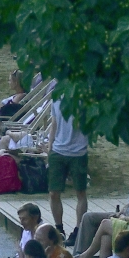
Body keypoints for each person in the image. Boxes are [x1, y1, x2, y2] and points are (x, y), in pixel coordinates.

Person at [46, 101, 89, 238]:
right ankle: (59, 228)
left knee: (80, 191)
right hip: (57, 150)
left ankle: (78, 229)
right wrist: (50, 146)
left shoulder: (83, 98)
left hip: (79, 151)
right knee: (53, 192)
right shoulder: (56, 97)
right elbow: (54, 122)